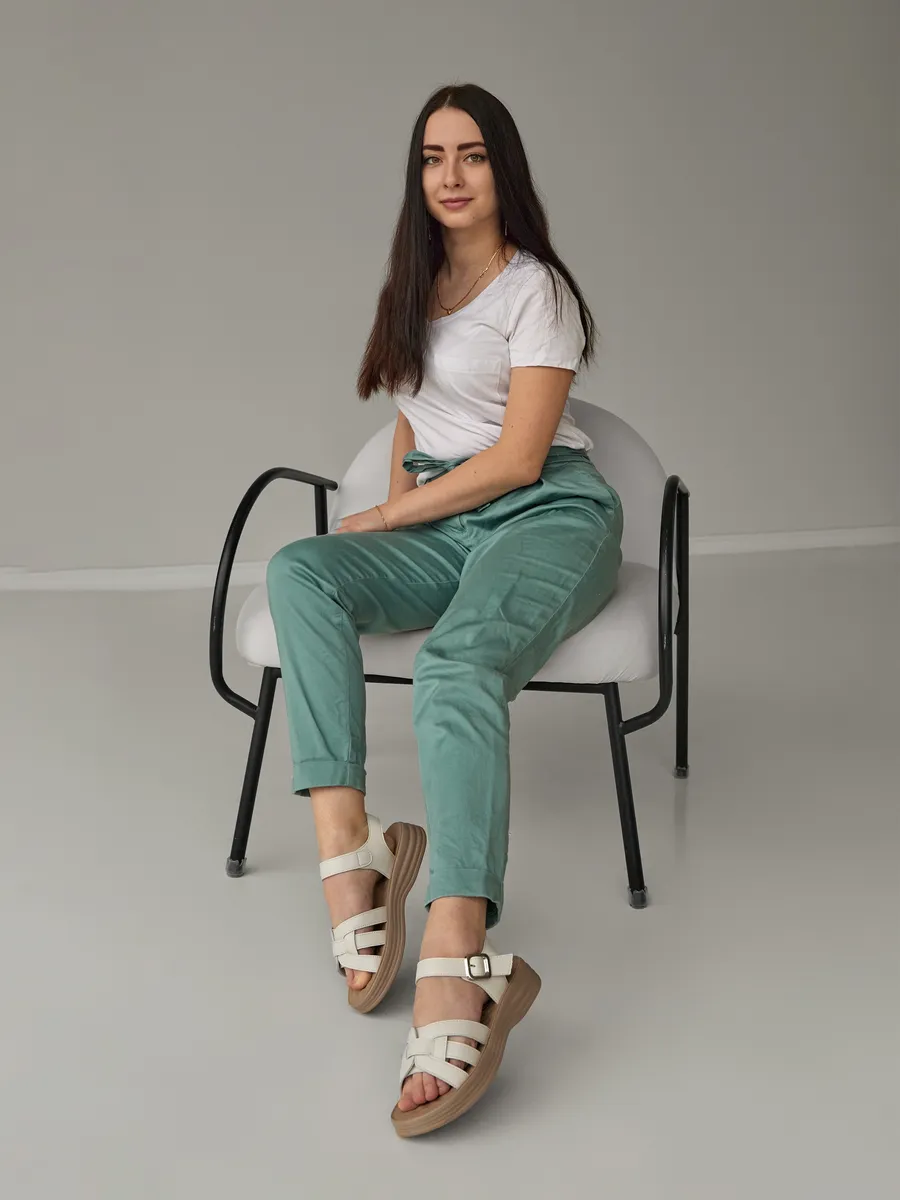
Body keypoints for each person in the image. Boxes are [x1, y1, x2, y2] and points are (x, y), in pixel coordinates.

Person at [266, 82, 623, 1137]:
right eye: (432, 157)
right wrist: (386, 529)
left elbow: (517, 459)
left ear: (503, 169)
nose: (451, 176)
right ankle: (354, 847)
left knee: (456, 664)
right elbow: (416, 428)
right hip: (448, 522)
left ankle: (463, 953)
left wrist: (390, 514)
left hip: (546, 513)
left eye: (471, 155)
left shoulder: (536, 289)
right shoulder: (413, 289)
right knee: (300, 570)